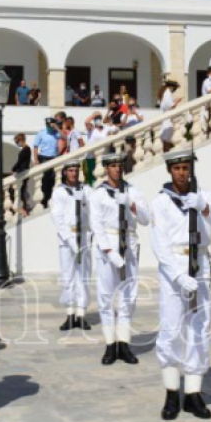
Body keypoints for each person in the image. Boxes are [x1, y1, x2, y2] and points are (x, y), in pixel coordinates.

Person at [150, 149, 211, 421]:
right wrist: (176, 275)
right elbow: (159, 243)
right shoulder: (161, 202)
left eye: (186, 167)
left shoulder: (204, 196)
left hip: (200, 266)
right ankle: (172, 393)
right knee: (171, 329)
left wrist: (204, 208)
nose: (182, 173)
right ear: (170, 171)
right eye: (178, 168)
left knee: (200, 328)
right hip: (173, 269)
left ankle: (193, 394)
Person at [89, 152, 152, 365]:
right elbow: (96, 225)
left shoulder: (133, 191)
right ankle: (110, 345)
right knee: (106, 297)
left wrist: (132, 205)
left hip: (130, 245)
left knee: (128, 296)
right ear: (106, 168)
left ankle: (124, 343)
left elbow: (146, 219)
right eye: (113, 165)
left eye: (119, 165)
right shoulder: (98, 194)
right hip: (109, 245)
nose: (117, 168)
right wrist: (108, 251)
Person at [52, 159, 93, 331]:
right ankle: (70, 314)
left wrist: (82, 202)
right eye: (70, 170)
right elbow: (57, 218)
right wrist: (69, 239)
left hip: (83, 235)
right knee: (68, 276)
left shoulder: (86, 190)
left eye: (76, 170)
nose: (74, 173)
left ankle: (81, 313)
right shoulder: (59, 192)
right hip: (67, 238)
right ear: (65, 172)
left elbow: (94, 213)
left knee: (83, 276)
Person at [33, 118, 61, 207]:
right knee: (44, 180)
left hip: (54, 158)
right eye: (47, 125)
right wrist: (36, 159)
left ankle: (51, 199)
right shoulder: (41, 133)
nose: (48, 126)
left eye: (50, 125)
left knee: (52, 180)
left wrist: (57, 128)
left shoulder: (56, 133)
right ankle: (44, 201)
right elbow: (35, 147)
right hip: (44, 158)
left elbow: (65, 137)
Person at [11, 133, 32, 214]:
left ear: (21, 140)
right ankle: (23, 208)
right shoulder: (25, 149)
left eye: (17, 142)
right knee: (21, 191)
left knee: (21, 191)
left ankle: (24, 209)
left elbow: (20, 162)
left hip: (23, 172)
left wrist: (13, 168)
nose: (17, 144)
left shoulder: (26, 149)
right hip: (22, 171)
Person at [158, 80, 180, 152]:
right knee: (166, 141)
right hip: (167, 120)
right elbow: (171, 106)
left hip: (165, 119)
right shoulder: (167, 93)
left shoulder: (164, 92)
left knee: (166, 140)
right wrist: (177, 101)